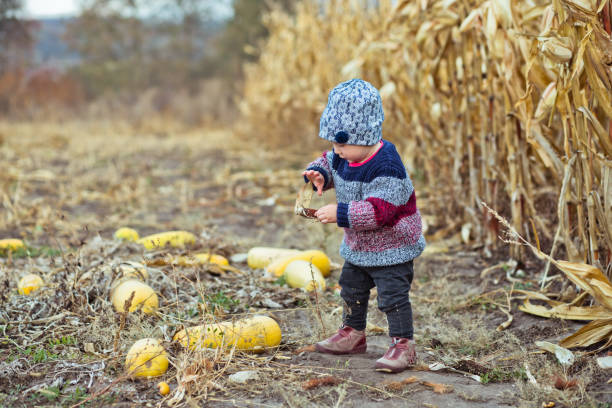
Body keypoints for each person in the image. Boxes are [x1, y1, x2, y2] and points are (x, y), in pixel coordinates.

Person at [302, 78, 426, 373]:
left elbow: (378, 211)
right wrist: (319, 173)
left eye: (341, 143)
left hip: (393, 247)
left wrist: (340, 213)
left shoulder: (387, 167)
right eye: (333, 143)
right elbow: (330, 162)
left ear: (365, 135)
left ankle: (403, 345)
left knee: (392, 298)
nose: (336, 150)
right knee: (351, 289)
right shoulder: (346, 154)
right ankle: (353, 334)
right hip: (359, 247)